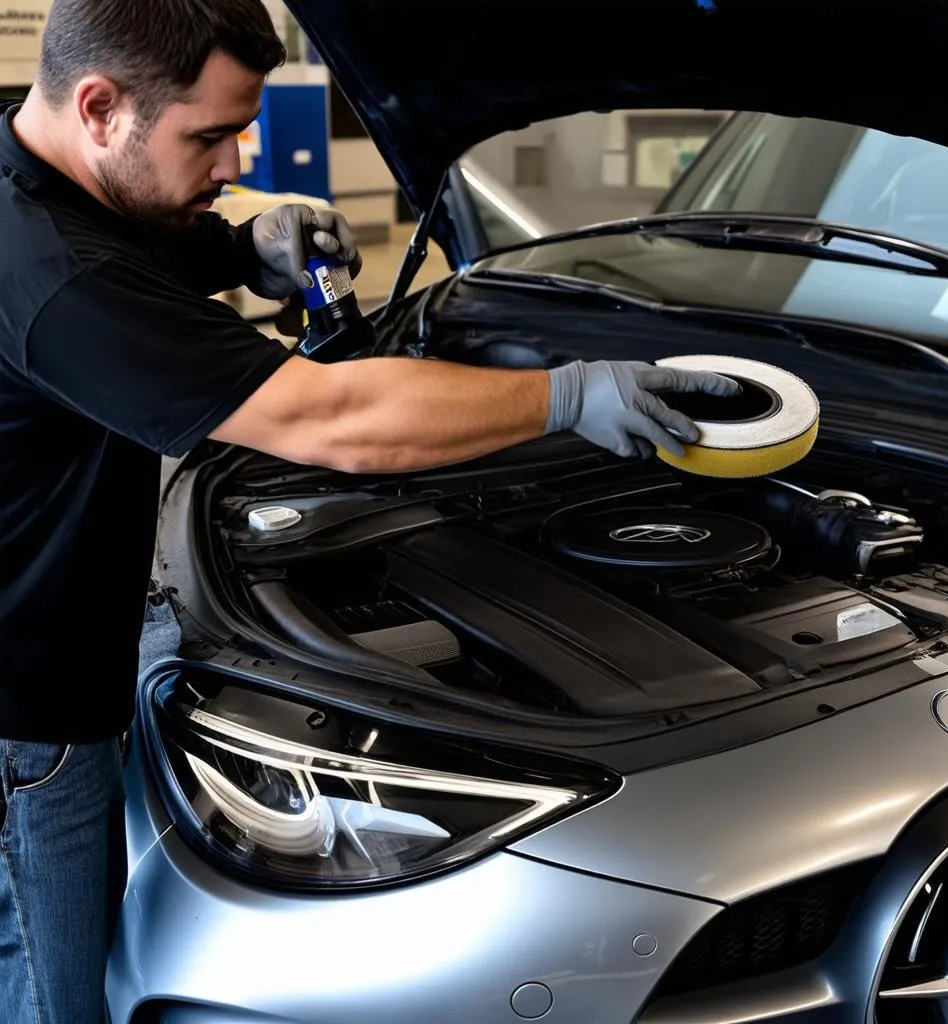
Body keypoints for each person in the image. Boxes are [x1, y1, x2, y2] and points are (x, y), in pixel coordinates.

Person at [0, 1, 737, 1021]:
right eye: (208, 138)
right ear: (99, 106)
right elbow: (334, 418)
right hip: (28, 730)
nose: (228, 166)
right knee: (50, 998)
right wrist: (567, 395)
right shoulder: (54, 277)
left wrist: (238, 249)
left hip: (52, 656)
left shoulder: (29, 169)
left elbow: (125, 237)